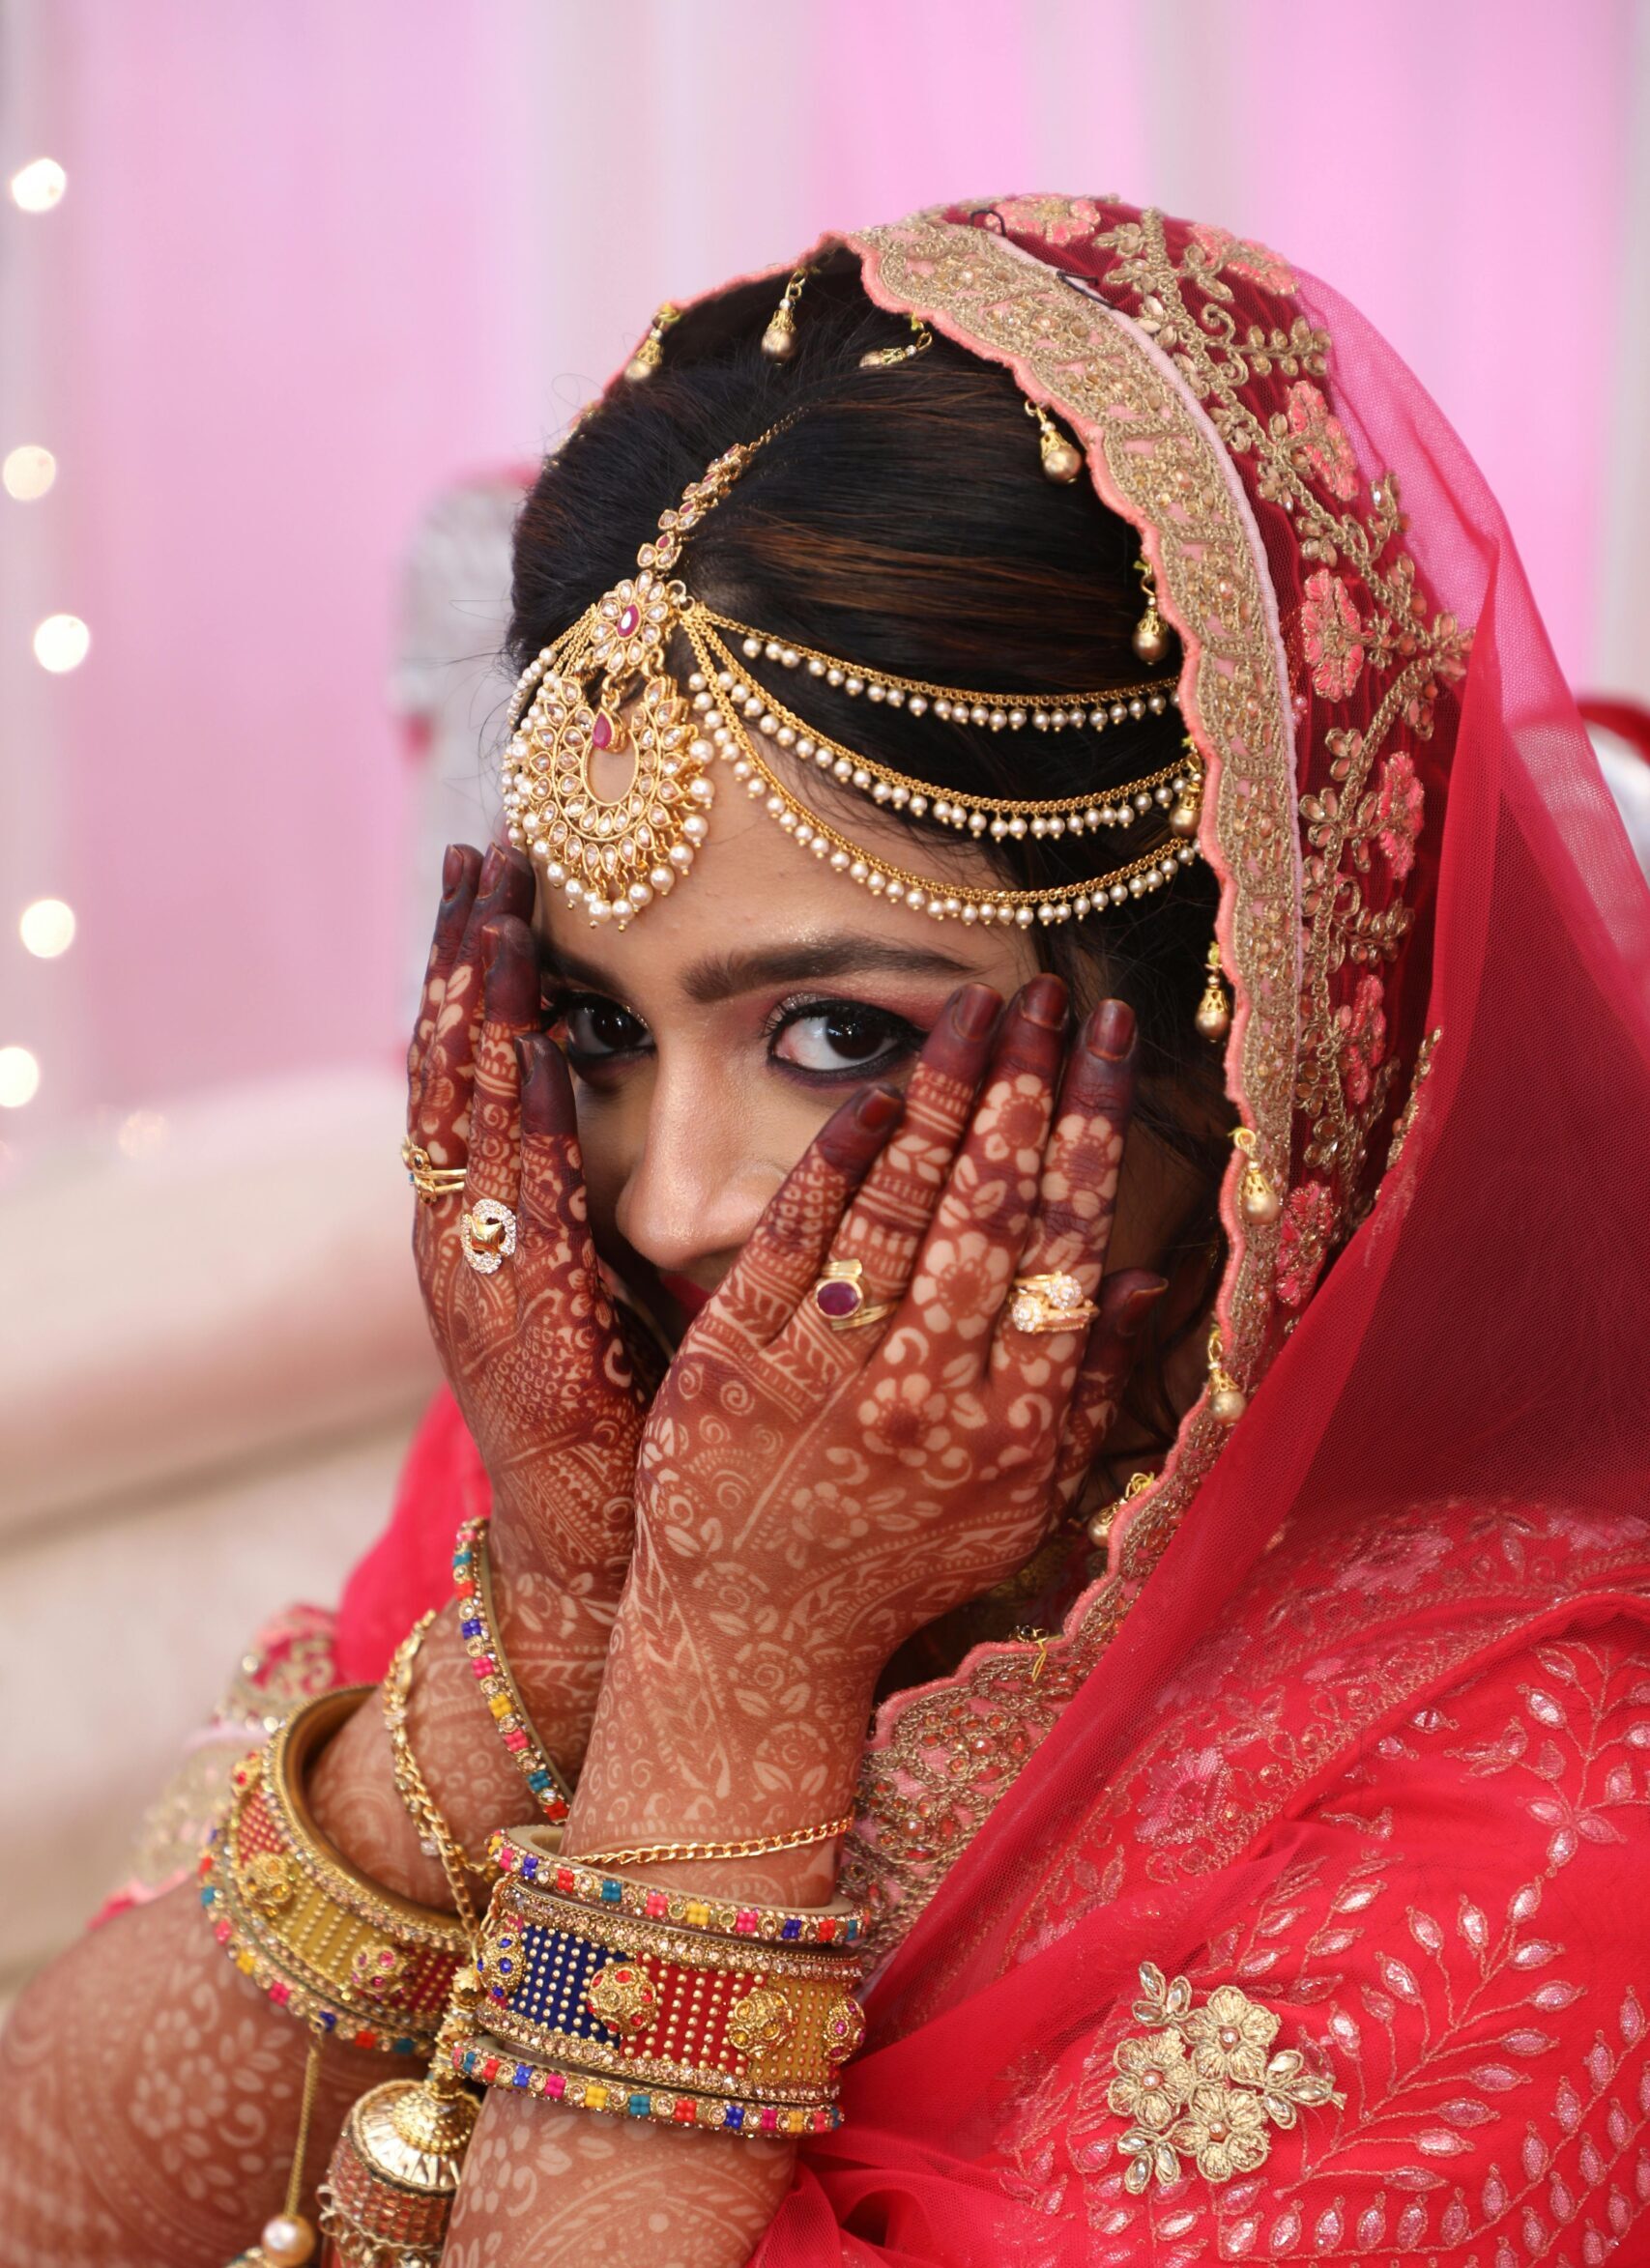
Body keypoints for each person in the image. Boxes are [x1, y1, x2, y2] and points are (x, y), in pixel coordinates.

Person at [3, 195, 1647, 2268]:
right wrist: (545, 1649)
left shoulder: (1552, 1810)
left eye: (834, 1033)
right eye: (596, 1029)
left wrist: (722, 1684)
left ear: (1257, 1028)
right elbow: (52, 2208)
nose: (667, 1204)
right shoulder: (614, 1426)